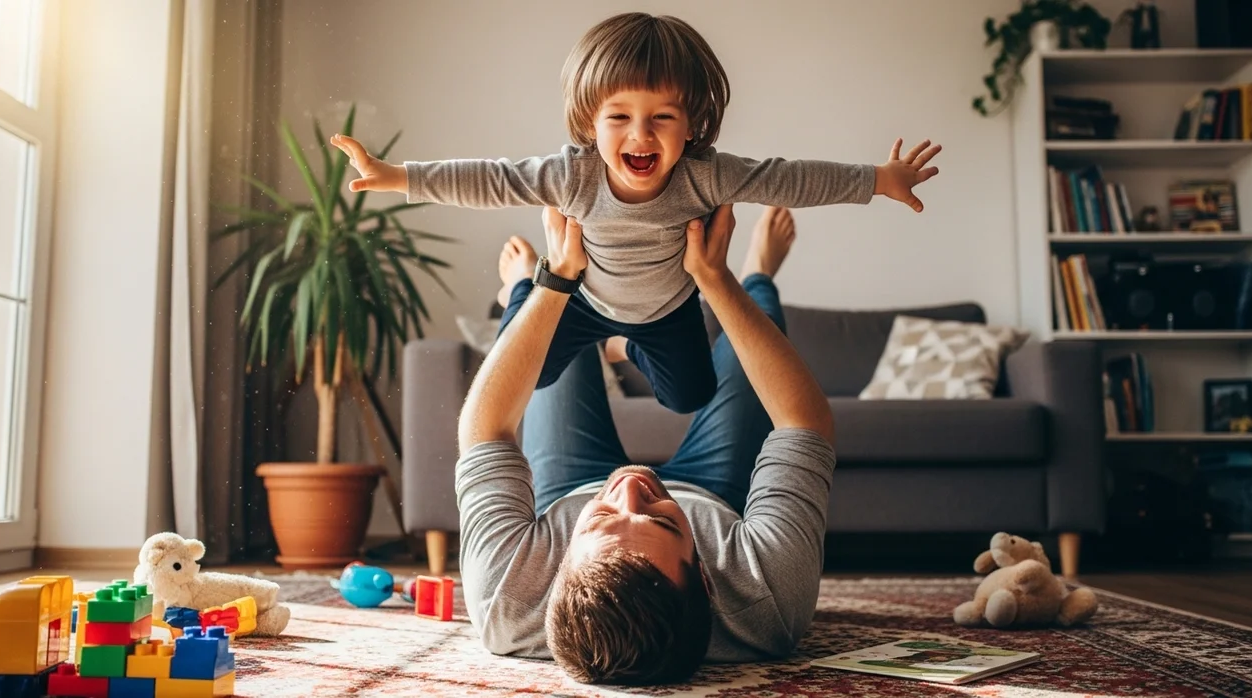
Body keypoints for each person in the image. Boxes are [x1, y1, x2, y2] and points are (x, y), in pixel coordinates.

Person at [332, 11, 941, 415]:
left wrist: (878, 180)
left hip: (666, 310)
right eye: (619, 117)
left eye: (663, 117)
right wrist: (398, 177)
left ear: (693, 124)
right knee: (531, 377)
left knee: (690, 397)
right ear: (589, 123)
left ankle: (623, 347)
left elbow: (791, 176)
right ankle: (522, 287)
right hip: (582, 299)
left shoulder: (709, 173)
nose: (641, 134)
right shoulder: (571, 174)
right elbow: (491, 178)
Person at [456, 204, 835, 685]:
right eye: (660, 520)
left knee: (549, 338)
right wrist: (714, 278)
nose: (633, 487)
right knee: (753, 347)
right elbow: (804, 421)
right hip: (713, 494)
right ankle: (758, 272)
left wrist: (555, 282)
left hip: (569, 488)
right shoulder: (768, 599)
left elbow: (485, 428)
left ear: (555, 575)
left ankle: (523, 293)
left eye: (604, 518)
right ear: (704, 577)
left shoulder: (507, 597)